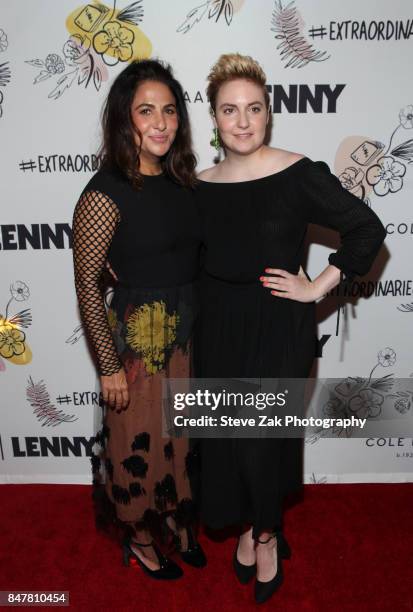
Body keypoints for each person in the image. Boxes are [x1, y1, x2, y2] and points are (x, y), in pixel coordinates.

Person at [195, 53, 386, 604]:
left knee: (262, 440)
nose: (243, 120)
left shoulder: (298, 172)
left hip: (278, 324)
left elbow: (366, 229)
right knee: (225, 440)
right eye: (229, 110)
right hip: (218, 326)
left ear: (268, 113)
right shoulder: (199, 185)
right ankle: (251, 524)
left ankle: (267, 535)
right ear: (213, 117)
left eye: (253, 108)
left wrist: (316, 286)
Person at [72, 59, 206, 580]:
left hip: (187, 337)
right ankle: (141, 535)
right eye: (146, 110)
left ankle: (172, 518)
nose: (160, 122)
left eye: (169, 110)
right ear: (124, 120)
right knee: (137, 446)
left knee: (180, 441)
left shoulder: (183, 182)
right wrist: (108, 366)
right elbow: (88, 283)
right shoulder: (105, 192)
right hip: (136, 343)